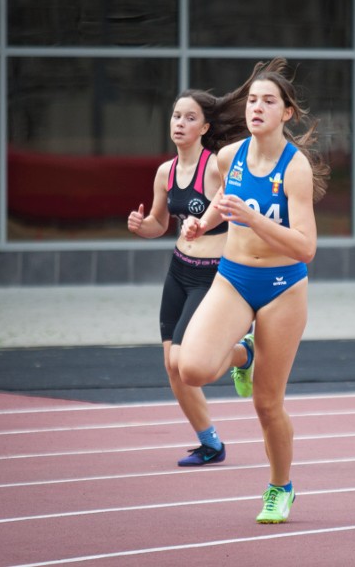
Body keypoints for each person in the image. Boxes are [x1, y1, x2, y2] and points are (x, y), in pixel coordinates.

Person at [179, 58, 329, 524]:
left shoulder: (295, 168)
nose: (257, 107)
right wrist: (200, 222)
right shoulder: (229, 157)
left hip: (283, 287)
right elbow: (224, 207)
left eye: (268, 101)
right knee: (193, 368)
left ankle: (280, 488)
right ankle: (244, 353)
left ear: (287, 113)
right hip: (234, 277)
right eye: (252, 100)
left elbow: (307, 248)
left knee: (267, 404)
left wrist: (257, 218)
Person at [127, 88, 250, 467]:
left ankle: (245, 354)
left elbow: (233, 203)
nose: (180, 123)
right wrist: (141, 225)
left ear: (205, 127)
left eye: (190, 118)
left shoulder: (215, 166)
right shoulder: (165, 172)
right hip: (178, 271)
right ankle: (210, 442)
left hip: (211, 276)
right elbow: (160, 224)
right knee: (171, 365)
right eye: (176, 116)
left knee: (186, 363)